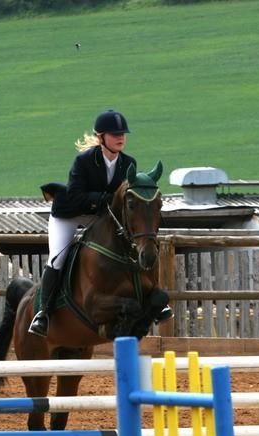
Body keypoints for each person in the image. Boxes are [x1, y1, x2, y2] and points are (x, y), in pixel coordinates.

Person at [28, 109, 171, 337]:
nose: (120, 137)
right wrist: (106, 198)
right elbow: (76, 196)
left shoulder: (128, 163)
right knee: (57, 258)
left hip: (101, 215)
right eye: (115, 134)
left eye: (122, 134)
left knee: (131, 246)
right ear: (101, 137)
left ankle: (153, 297)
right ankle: (43, 313)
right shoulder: (84, 161)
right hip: (70, 214)